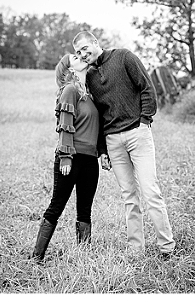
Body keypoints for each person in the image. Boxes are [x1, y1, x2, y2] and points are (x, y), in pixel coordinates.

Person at [72, 31, 175, 257]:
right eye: (78, 52)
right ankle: (136, 249)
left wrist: (144, 121)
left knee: (150, 192)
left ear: (95, 43)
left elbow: (147, 88)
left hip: (138, 134)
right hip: (113, 141)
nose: (82, 54)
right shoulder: (89, 76)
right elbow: (98, 115)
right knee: (129, 196)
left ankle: (166, 246)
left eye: (84, 48)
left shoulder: (124, 57)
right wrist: (102, 150)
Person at [31, 54, 101, 263]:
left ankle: (83, 258)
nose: (81, 57)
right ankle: (36, 257)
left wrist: (102, 152)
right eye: (76, 57)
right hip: (71, 157)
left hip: (90, 159)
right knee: (57, 206)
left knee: (85, 210)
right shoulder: (70, 90)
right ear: (70, 69)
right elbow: (64, 125)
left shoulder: (88, 93)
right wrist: (65, 157)